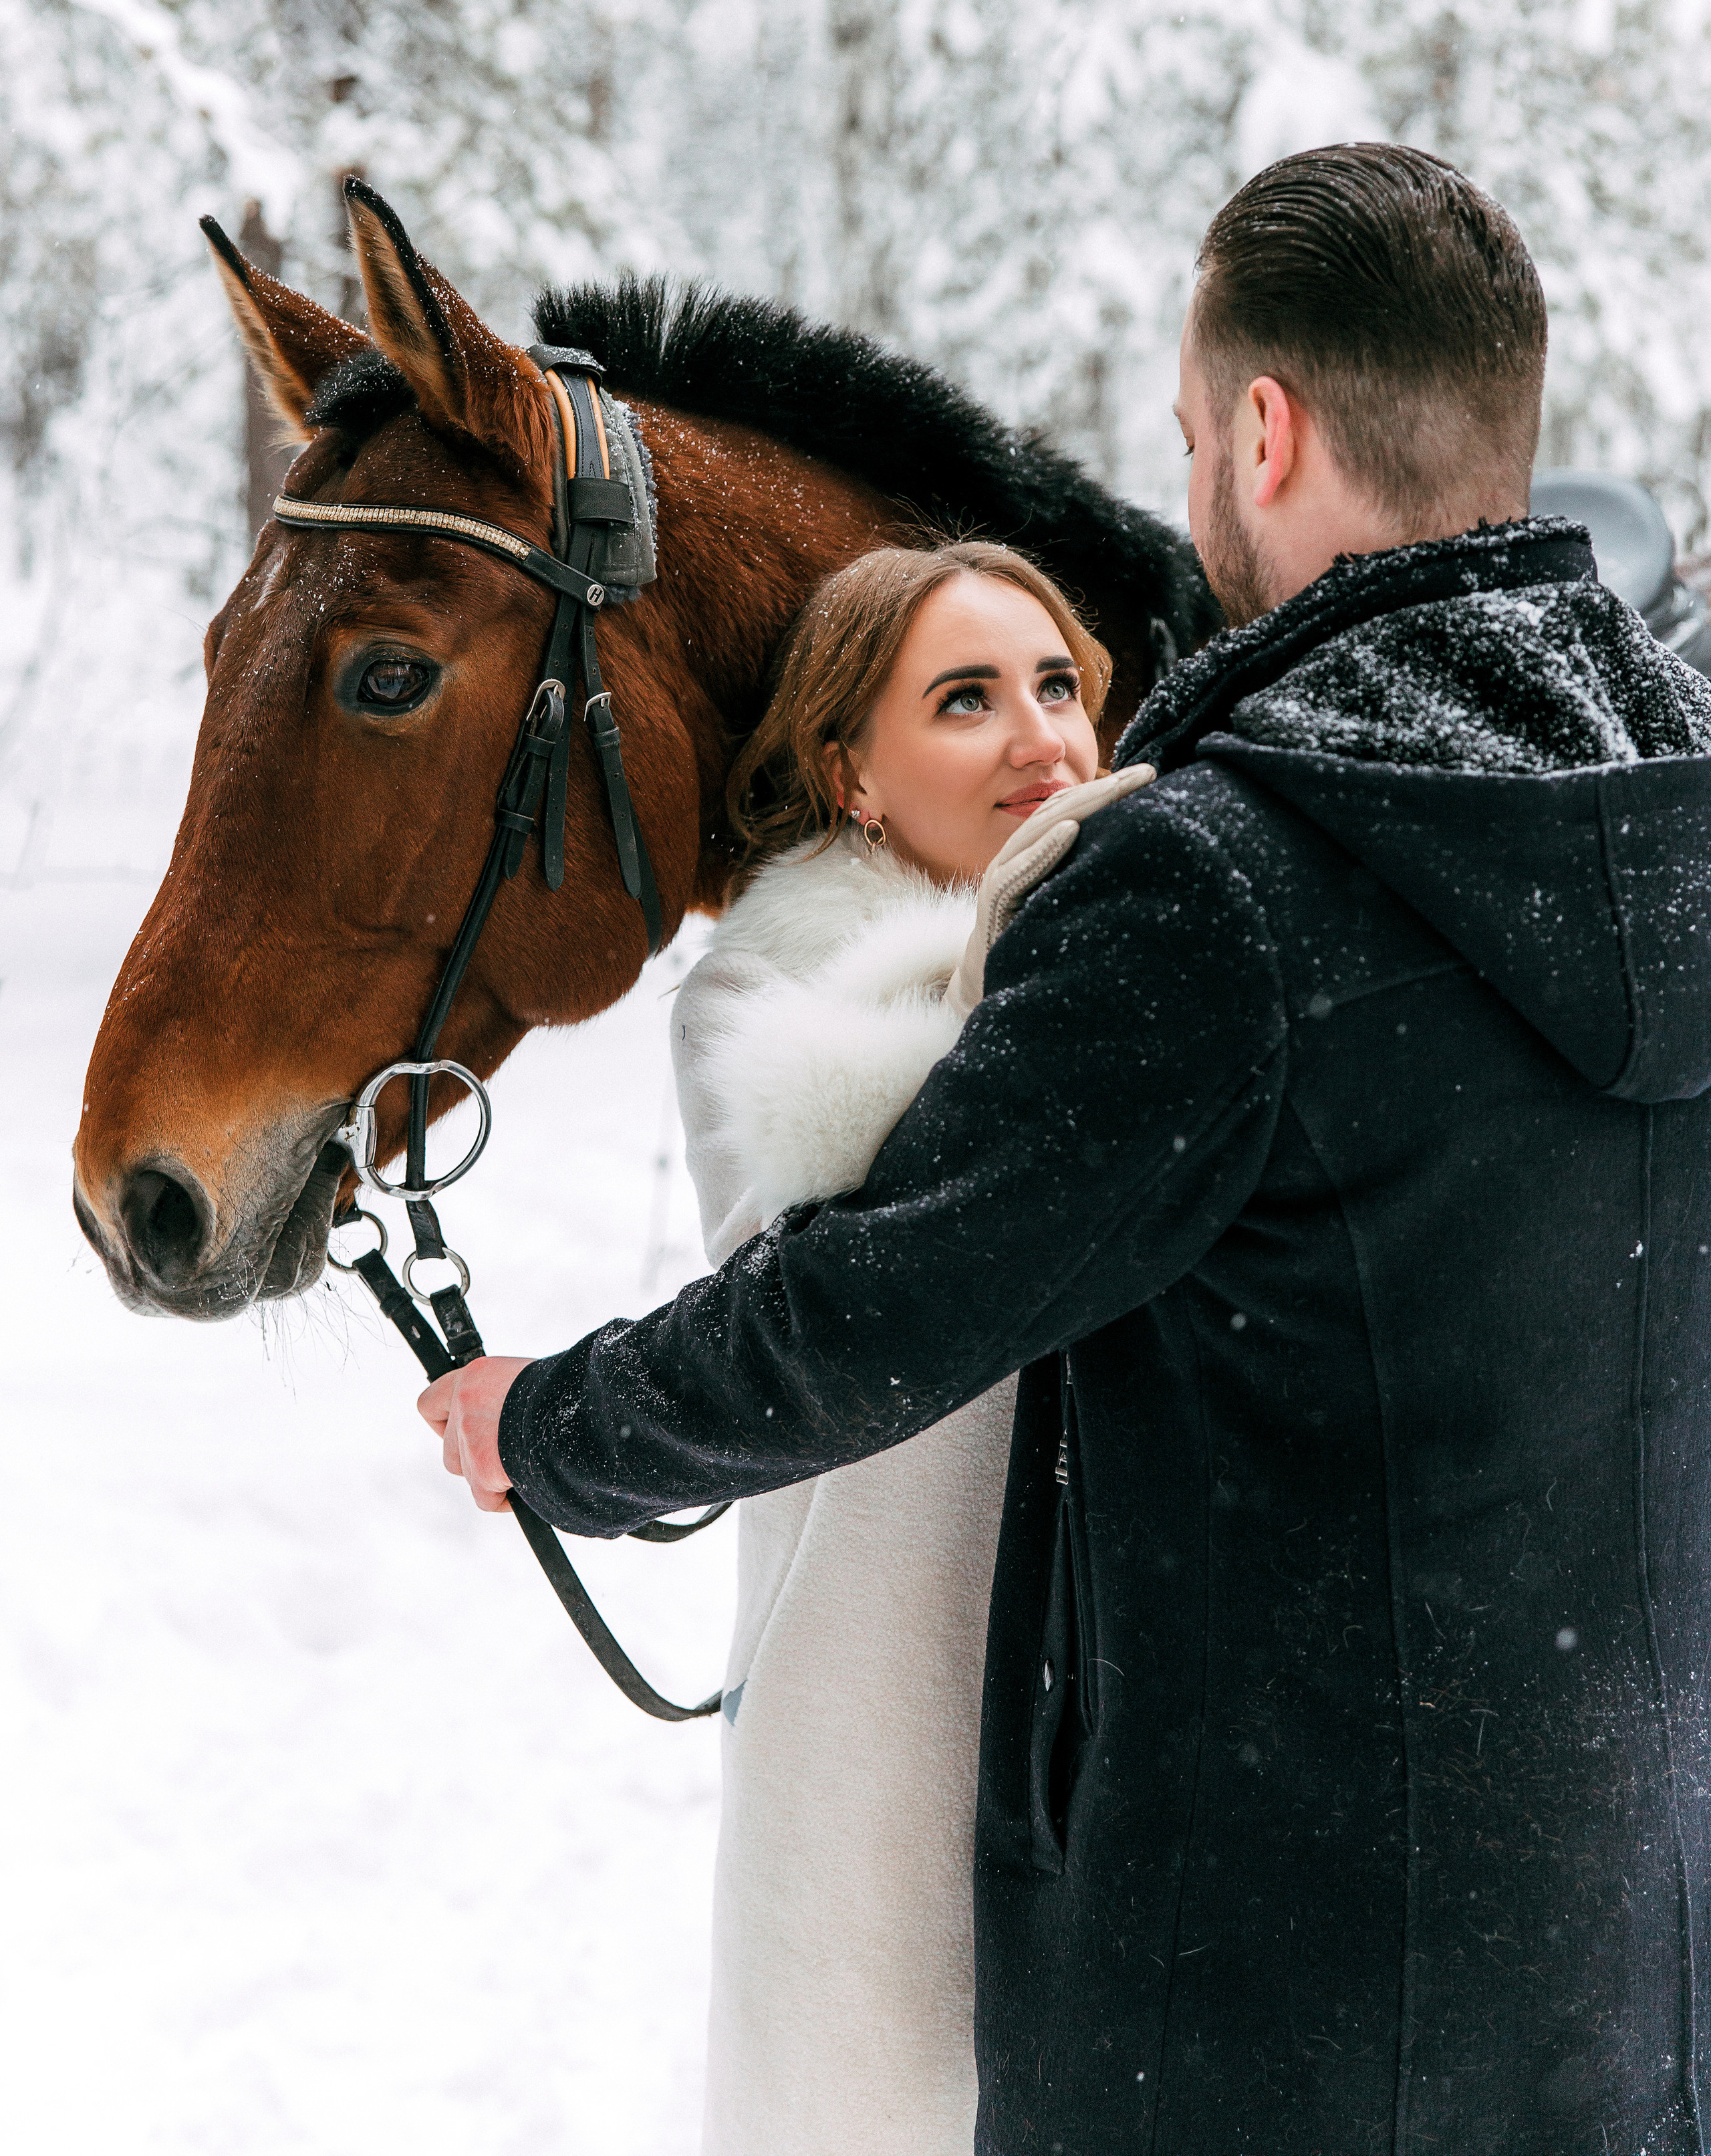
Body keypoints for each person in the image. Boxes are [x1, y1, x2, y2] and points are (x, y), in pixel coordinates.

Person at [423, 143, 1711, 2153]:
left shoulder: (1221, 878)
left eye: (1197, 433)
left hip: (1256, 2000)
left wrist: (554, 1424)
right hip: (1624, 1966)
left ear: (1264, 434)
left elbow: (867, 1310)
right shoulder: (1675, 816)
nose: (1192, 475)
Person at [670, 539, 1139, 2155]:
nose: (1041, 740)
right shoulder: (766, 992)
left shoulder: (1120, 961)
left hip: (1109, 1700)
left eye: (1058, 686)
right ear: (848, 775)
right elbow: (856, 1243)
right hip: (877, 1718)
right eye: (965, 700)